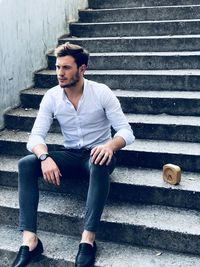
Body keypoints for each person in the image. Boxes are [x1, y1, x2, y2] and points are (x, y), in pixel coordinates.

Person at [11, 42, 135, 267]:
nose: (60, 73)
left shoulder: (101, 92)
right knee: (26, 164)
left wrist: (109, 146)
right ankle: (30, 241)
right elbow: (35, 138)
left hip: (98, 156)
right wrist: (44, 157)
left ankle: (88, 241)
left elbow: (127, 132)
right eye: (58, 67)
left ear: (82, 69)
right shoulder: (51, 96)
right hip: (70, 155)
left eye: (66, 68)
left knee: (98, 162)